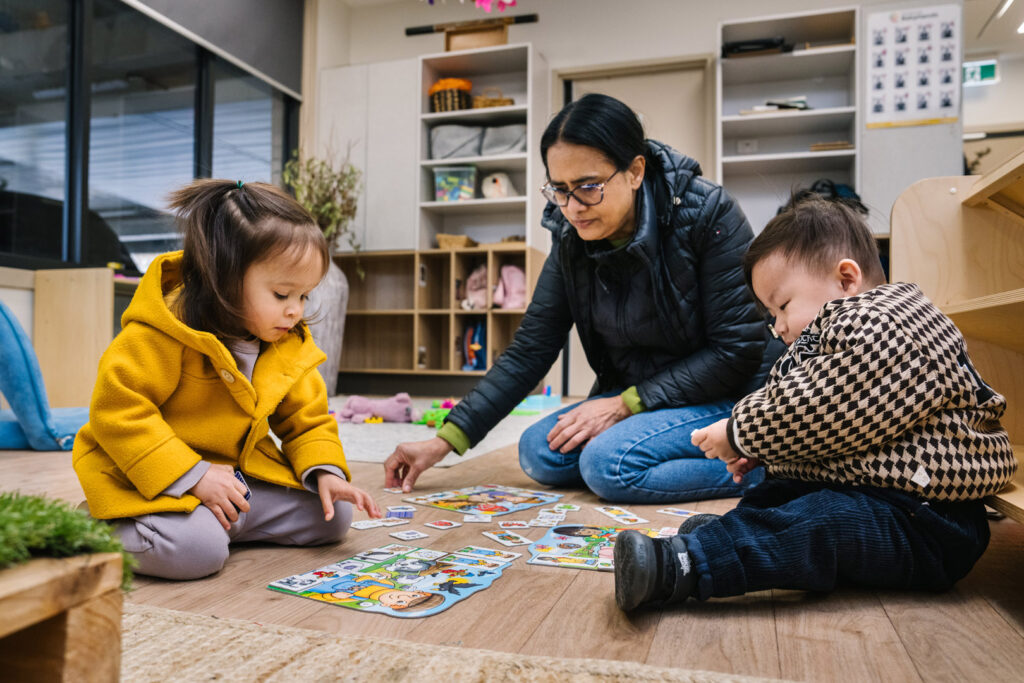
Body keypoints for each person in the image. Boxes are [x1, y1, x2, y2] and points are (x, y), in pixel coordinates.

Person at [613, 196, 1017, 610]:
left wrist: (741, 432)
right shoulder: (842, 332)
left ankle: (686, 564)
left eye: (783, 306)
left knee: (822, 519)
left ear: (846, 280)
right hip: (884, 494)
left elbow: (824, 405)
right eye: (771, 313)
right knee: (779, 492)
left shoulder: (888, 323)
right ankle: (735, 536)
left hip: (931, 522)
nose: (777, 326)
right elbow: (828, 423)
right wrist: (771, 448)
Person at [385, 93, 780, 502]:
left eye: (589, 186)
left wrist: (625, 405)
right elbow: (530, 350)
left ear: (635, 171)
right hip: (643, 395)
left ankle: (760, 466)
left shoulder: (708, 213)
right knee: (539, 453)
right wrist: (444, 441)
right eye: (559, 189)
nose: (573, 207)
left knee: (607, 465)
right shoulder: (572, 236)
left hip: (725, 394)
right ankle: (685, 453)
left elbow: (738, 348)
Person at [73, 179, 382, 580]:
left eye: (304, 296)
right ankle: (100, 526)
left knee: (333, 515)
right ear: (225, 277)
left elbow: (306, 419)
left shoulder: (285, 341)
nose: (295, 312)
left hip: (233, 478)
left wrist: (326, 473)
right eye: (282, 294)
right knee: (195, 553)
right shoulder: (158, 333)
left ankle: (214, 524)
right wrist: (196, 475)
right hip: (145, 478)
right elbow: (116, 414)